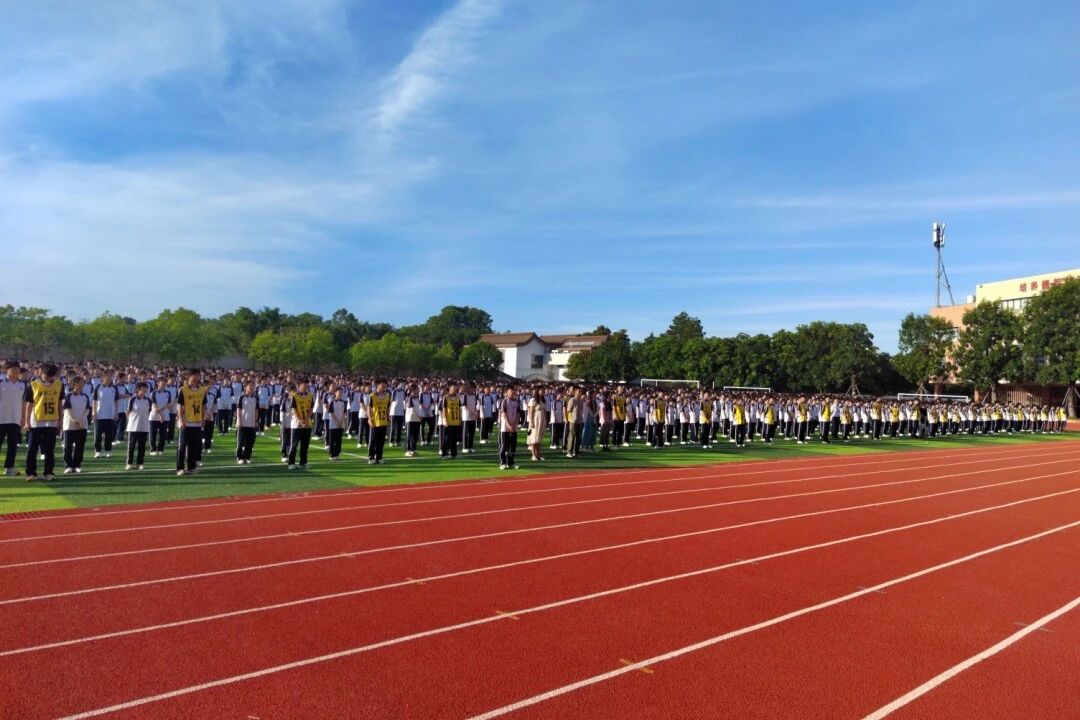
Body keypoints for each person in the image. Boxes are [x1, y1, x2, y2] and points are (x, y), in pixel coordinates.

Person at [24, 363, 63, 481]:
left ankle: (48, 472)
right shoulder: (33, 385)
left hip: (52, 421)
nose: (49, 378)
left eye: (52, 376)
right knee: (32, 448)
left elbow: (59, 404)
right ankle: (30, 473)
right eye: (47, 376)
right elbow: (29, 405)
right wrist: (26, 421)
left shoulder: (59, 385)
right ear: (41, 373)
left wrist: (61, 420)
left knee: (49, 449)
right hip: (36, 421)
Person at [175, 369, 209, 476]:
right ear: (190, 376)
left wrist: (203, 418)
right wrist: (181, 420)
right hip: (186, 422)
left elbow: (203, 405)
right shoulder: (183, 390)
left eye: (199, 375)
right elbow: (179, 406)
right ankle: (180, 468)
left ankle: (191, 467)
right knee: (182, 446)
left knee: (194, 446)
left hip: (197, 422)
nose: (198, 377)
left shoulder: (202, 390)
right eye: (196, 375)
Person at [0, 361, 28, 477]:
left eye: (17, 368)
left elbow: (24, 402)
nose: (16, 370)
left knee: (12, 446)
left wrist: (23, 417)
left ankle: (9, 467)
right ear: (7, 370)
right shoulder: (1, 383)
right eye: (14, 368)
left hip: (15, 419)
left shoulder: (23, 385)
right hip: (1, 419)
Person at [62, 376, 91, 473]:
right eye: (81, 382)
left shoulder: (85, 396)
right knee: (68, 446)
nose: (82, 384)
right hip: (69, 425)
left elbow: (87, 409)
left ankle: (77, 465)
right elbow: (67, 409)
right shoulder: (68, 396)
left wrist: (81, 420)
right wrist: (75, 420)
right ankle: (68, 466)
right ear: (75, 384)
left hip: (82, 425)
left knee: (80, 446)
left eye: (83, 382)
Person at [287, 381, 314, 470]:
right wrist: (301, 420)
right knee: (294, 445)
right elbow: (293, 409)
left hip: (307, 424)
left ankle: (303, 462)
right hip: (296, 424)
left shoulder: (310, 395)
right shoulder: (294, 396)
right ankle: (291, 463)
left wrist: (306, 419)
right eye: (304, 384)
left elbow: (311, 409)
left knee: (305, 445)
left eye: (307, 384)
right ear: (299, 385)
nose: (306, 385)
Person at [125, 382, 152, 470]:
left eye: (146, 389)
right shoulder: (132, 399)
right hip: (133, 427)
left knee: (142, 446)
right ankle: (129, 463)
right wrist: (131, 421)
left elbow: (149, 411)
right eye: (143, 389)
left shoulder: (148, 400)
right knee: (131, 446)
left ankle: (140, 463)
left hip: (144, 426)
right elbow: (128, 412)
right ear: (138, 389)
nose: (145, 391)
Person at [93, 372, 119, 458]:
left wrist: (116, 413)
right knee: (98, 435)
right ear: (103, 378)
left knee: (109, 434)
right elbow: (94, 401)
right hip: (100, 414)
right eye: (107, 376)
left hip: (110, 415)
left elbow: (116, 401)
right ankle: (98, 451)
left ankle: (108, 450)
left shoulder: (114, 388)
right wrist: (94, 413)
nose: (109, 378)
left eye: (110, 377)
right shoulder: (98, 387)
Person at [235, 381, 260, 464]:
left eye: (253, 386)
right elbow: (238, 409)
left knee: (250, 442)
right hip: (242, 423)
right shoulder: (241, 397)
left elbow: (256, 410)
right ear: (246, 387)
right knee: (240, 441)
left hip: (251, 423)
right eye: (250, 386)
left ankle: (247, 457)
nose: (251, 388)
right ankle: (239, 457)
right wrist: (239, 420)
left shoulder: (255, 398)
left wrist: (256, 421)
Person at [366, 380, 390, 465]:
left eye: (385, 385)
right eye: (382, 385)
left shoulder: (387, 396)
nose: (384, 386)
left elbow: (387, 408)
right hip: (375, 421)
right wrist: (369, 419)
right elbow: (369, 408)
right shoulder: (372, 396)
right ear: (378, 386)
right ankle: (371, 457)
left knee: (381, 441)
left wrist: (388, 418)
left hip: (383, 421)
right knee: (373, 440)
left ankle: (379, 457)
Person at [438, 383, 462, 459]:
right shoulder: (445, 397)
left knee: (454, 438)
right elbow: (443, 409)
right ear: (450, 389)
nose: (455, 390)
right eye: (454, 388)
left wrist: (460, 419)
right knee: (447, 438)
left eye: (456, 389)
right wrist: (444, 419)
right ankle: (444, 453)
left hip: (456, 421)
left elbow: (459, 409)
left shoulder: (458, 398)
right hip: (448, 421)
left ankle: (454, 454)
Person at [498, 387, 520, 469]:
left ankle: (511, 463)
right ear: (507, 392)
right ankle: (503, 462)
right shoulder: (504, 401)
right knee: (504, 445)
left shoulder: (516, 402)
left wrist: (515, 424)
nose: (512, 392)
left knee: (513, 446)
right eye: (511, 391)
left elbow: (518, 414)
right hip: (505, 427)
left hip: (514, 427)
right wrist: (508, 425)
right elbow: (503, 413)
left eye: (513, 391)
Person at [325, 386, 348, 461]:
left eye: (341, 392)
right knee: (332, 440)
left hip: (341, 423)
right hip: (333, 424)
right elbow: (331, 413)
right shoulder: (332, 402)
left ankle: (337, 454)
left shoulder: (343, 402)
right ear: (335, 393)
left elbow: (344, 412)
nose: (340, 394)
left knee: (339, 440)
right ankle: (332, 455)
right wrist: (337, 421)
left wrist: (341, 421)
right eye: (339, 392)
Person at [526, 391, 547, 461]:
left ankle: (538, 454)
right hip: (535, 420)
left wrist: (545, 421)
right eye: (541, 390)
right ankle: (533, 455)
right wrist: (531, 422)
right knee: (534, 438)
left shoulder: (543, 400)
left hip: (542, 420)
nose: (542, 392)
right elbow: (531, 412)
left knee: (539, 438)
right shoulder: (533, 400)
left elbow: (544, 411)